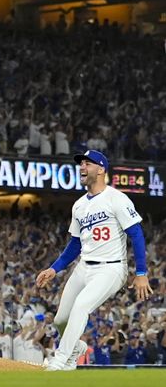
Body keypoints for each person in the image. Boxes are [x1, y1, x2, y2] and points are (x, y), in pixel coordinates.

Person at [36, 150, 152, 370]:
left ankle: (60, 360)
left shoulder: (116, 198)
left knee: (81, 306)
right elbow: (75, 244)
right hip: (84, 266)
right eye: (81, 163)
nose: (82, 167)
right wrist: (54, 269)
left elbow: (136, 233)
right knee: (61, 320)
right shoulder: (79, 205)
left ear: (101, 169)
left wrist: (141, 273)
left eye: (87, 164)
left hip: (111, 269)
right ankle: (76, 347)